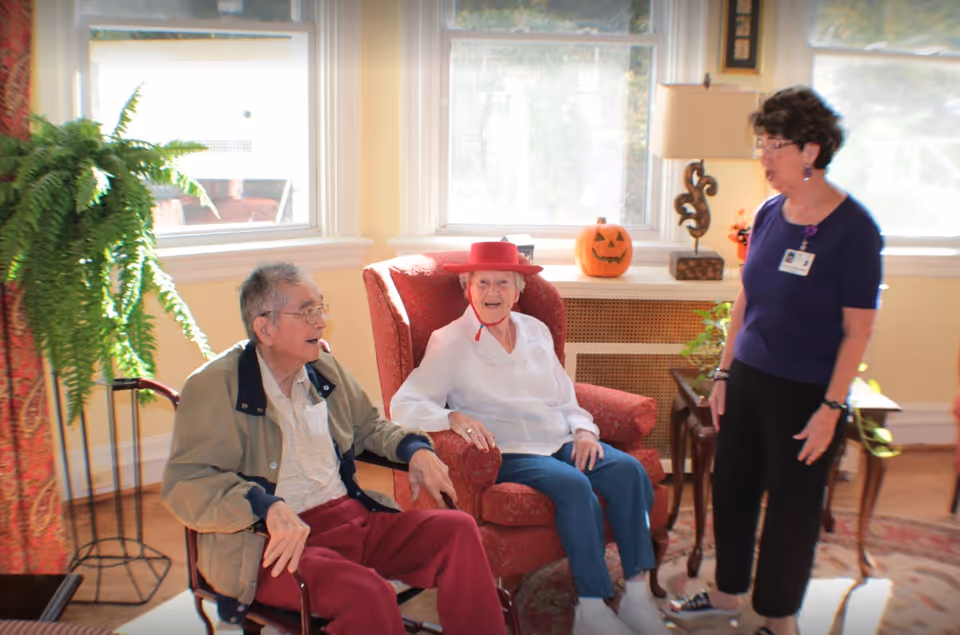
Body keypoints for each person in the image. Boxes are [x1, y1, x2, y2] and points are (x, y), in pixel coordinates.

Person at [161, 263, 506, 635]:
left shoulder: (323, 367)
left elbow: (369, 426)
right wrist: (261, 505)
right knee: (369, 595)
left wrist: (414, 448)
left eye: (321, 308)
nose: (321, 322)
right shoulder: (213, 386)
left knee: (457, 529)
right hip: (270, 547)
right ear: (265, 327)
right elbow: (186, 484)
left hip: (350, 520)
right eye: (308, 312)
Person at [666, 86, 883, 635]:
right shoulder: (768, 213)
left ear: (811, 150)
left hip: (808, 393)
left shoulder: (856, 231)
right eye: (761, 143)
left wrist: (832, 408)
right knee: (733, 492)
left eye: (773, 145)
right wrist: (723, 372)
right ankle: (723, 595)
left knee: (792, 510)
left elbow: (859, 330)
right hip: (750, 381)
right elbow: (746, 299)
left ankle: (779, 619)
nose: (762, 156)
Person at [390, 241, 669, 635]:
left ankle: (638, 597)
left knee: (628, 471)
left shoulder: (535, 331)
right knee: (573, 486)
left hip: (558, 437)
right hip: (507, 449)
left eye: (503, 282)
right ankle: (591, 610)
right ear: (466, 287)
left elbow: (564, 396)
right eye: (482, 282)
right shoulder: (449, 341)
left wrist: (585, 431)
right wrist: (450, 417)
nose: (492, 292)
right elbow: (404, 405)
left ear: (518, 289)